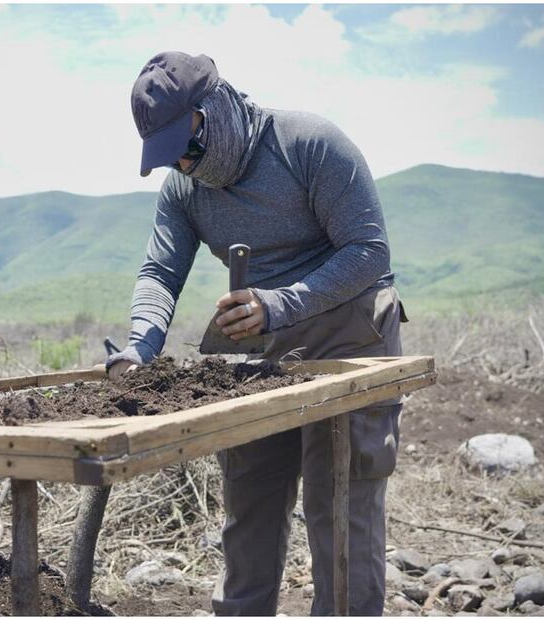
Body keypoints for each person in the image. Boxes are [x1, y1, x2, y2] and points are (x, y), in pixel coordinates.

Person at [107, 51, 408, 616]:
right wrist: (141, 344)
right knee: (250, 504)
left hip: (348, 334)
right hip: (259, 345)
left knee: (339, 502)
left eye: (189, 145)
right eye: (172, 157)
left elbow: (369, 253)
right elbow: (160, 271)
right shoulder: (183, 189)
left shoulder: (309, 143)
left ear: (214, 107)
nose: (187, 166)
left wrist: (279, 304)